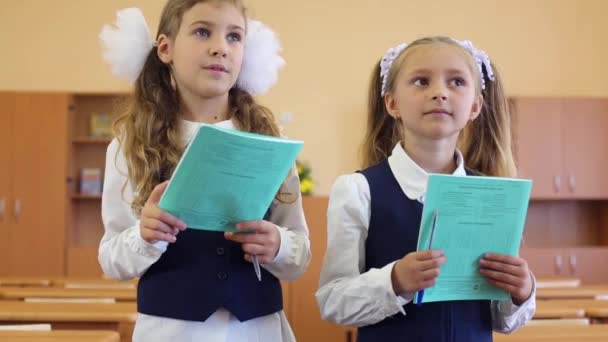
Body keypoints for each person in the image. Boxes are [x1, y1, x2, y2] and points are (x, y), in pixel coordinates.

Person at [98, 1, 310, 341]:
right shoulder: (130, 145)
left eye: (234, 37)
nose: (220, 48)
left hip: (257, 330)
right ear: (165, 48)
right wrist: (145, 235)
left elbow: (299, 254)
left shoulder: (270, 141)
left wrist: (278, 245)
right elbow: (111, 260)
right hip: (170, 332)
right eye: (201, 32)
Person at [316, 36, 536, 341]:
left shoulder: (493, 196)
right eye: (421, 81)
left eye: (456, 81)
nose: (440, 93)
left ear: (475, 106)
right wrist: (394, 281)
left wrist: (521, 291)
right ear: (392, 103)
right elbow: (332, 302)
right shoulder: (358, 190)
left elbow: (503, 321)